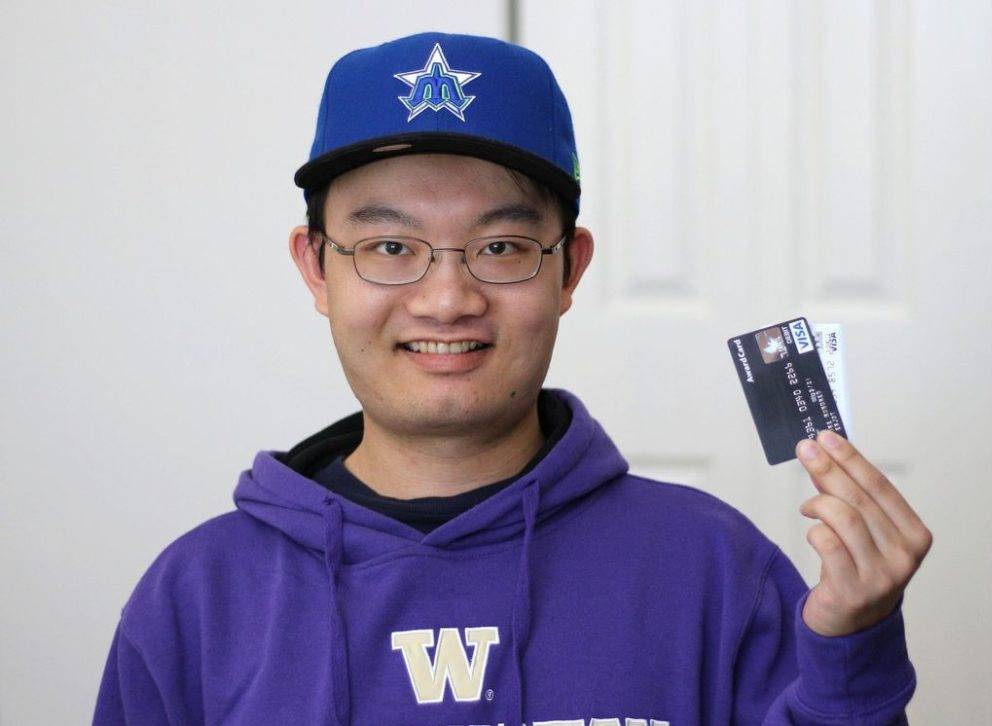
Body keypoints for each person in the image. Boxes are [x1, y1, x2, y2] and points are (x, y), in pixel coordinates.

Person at [93, 31, 931, 725]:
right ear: (317, 269)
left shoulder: (714, 568)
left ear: (569, 270)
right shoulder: (196, 599)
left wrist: (849, 657)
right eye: (390, 248)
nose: (447, 299)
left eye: (500, 247)